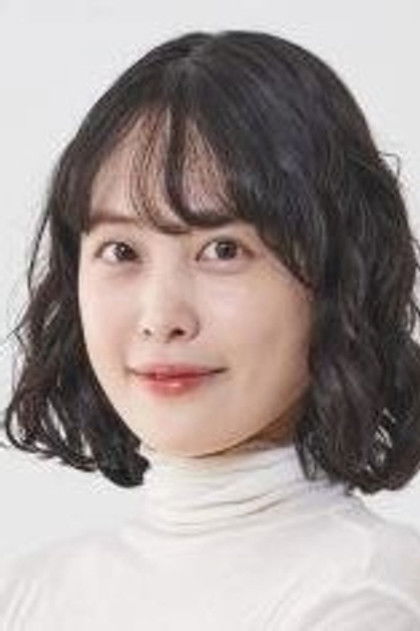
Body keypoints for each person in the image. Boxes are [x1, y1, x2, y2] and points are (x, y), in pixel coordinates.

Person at [1, 29, 420, 629]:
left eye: (223, 250)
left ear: (336, 276)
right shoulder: (27, 592)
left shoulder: (367, 599)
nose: (161, 318)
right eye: (121, 251)